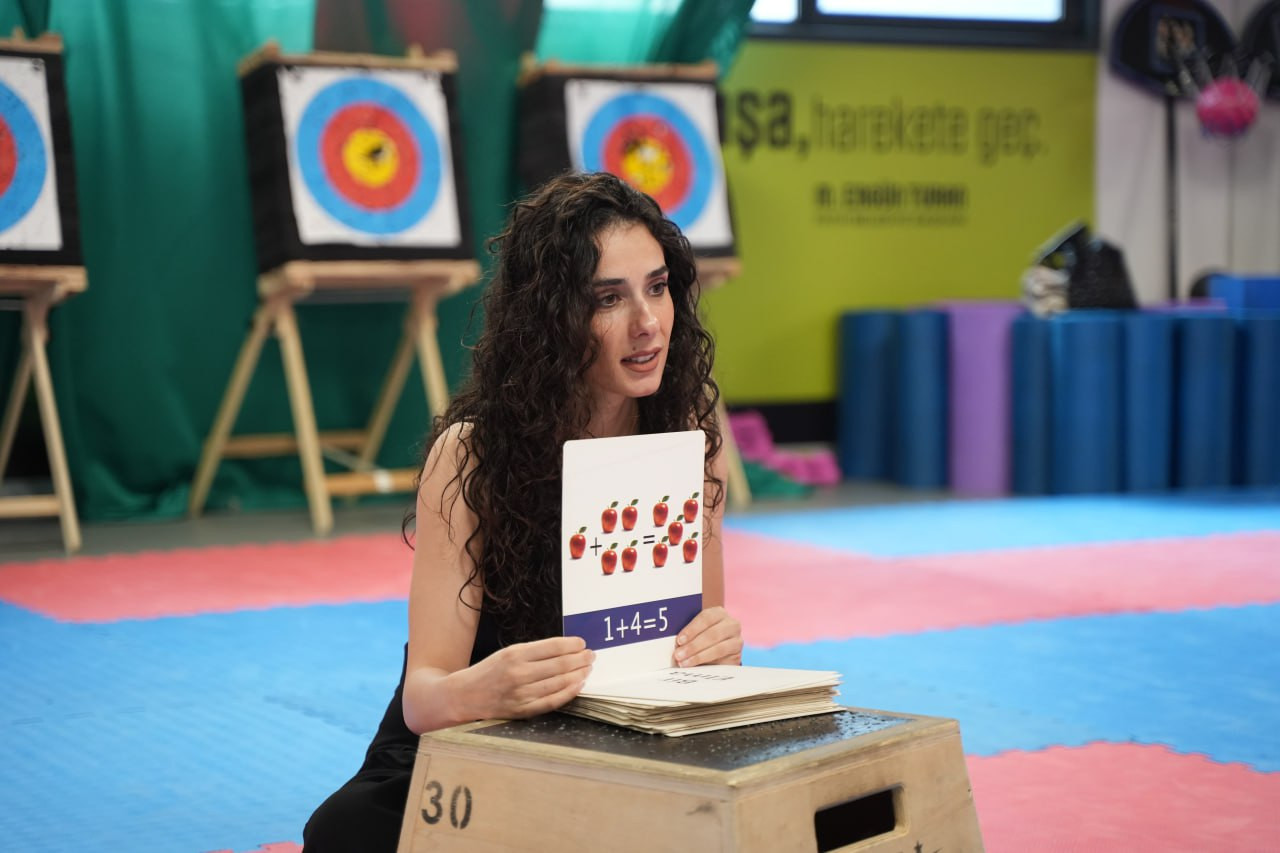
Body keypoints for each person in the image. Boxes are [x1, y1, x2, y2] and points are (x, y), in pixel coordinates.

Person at [303, 171, 742, 851]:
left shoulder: (689, 442)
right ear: (553, 318)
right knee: (347, 831)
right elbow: (424, 698)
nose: (648, 323)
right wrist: (491, 689)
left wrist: (717, 646)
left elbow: (698, 647)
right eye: (608, 298)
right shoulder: (471, 453)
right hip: (474, 733)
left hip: (613, 740)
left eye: (657, 288)